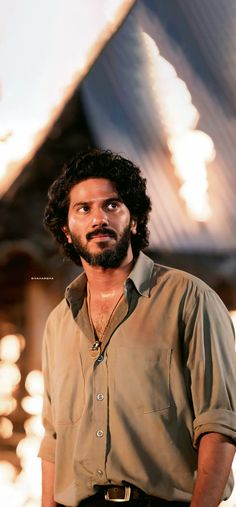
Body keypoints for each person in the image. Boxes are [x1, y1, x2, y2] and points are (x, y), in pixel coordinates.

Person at [39, 149, 236, 507]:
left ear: (133, 220)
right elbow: (53, 440)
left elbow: (220, 423)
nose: (99, 218)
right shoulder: (58, 322)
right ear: (67, 232)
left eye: (112, 205)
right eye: (84, 209)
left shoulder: (189, 299)